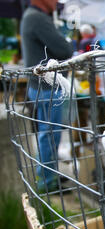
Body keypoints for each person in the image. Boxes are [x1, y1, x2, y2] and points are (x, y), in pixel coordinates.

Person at [21, 0, 74, 192]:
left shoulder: (32, 17)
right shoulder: (37, 18)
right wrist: (67, 40)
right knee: (50, 136)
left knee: (47, 135)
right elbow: (64, 50)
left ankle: (47, 176)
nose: (56, 2)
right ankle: (46, 182)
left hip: (40, 86)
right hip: (47, 88)